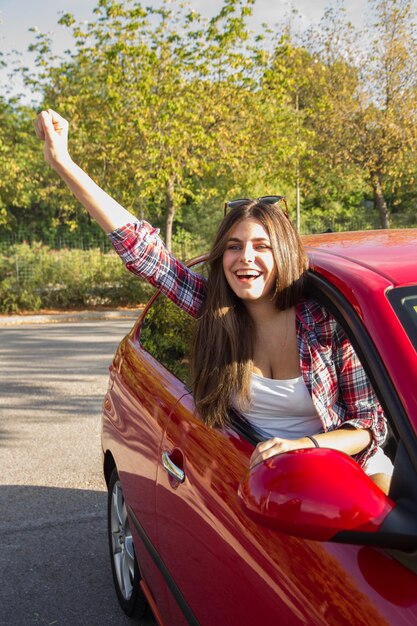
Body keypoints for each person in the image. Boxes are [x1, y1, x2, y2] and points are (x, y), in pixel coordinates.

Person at [35, 109, 394, 493]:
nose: (246, 258)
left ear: (285, 255)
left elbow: (368, 424)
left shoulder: (325, 324)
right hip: (267, 481)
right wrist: (63, 163)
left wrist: (301, 447)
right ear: (222, 258)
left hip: (350, 472)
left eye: (261, 247)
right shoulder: (215, 313)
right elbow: (142, 250)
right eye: (234, 247)